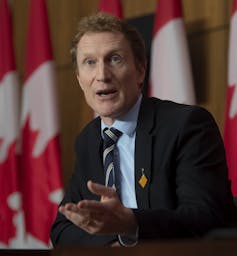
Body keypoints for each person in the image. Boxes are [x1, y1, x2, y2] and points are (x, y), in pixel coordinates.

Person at [51, 12, 236, 247]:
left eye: (115, 59)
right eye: (90, 62)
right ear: (79, 79)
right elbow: (60, 231)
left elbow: (206, 218)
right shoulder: (88, 140)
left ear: (140, 71)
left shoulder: (186, 126)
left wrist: (132, 224)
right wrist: (113, 242)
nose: (102, 75)